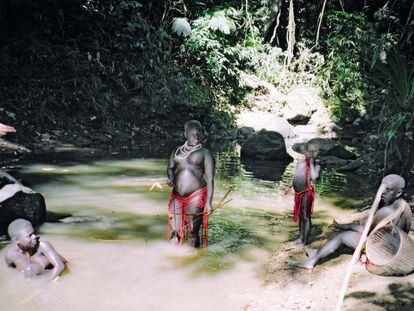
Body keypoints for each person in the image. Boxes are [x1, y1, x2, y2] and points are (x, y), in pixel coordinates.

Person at [297, 174, 411, 270]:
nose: (382, 193)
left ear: (398, 193)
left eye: (389, 190)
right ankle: (319, 252)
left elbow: (366, 232)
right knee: (347, 231)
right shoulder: (405, 206)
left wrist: (346, 226)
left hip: (382, 252)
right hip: (394, 246)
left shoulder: (386, 211)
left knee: (342, 236)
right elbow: (405, 231)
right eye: (382, 188)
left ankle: (311, 262)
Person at [167, 120, 215, 248]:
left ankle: (194, 259)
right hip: (177, 195)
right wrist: (170, 177)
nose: (196, 137)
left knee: (192, 232)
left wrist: (209, 203)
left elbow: (210, 179)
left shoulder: (205, 153)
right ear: (185, 134)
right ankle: (172, 262)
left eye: (199, 134)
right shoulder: (176, 151)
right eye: (193, 134)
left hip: (196, 196)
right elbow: (170, 168)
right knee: (175, 231)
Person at [285, 142, 320, 247]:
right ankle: (300, 238)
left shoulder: (317, 165)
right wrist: (289, 186)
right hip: (298, 193)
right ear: (305, 152)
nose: (312, 154)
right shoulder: (301, 162)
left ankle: (305, 241)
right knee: (301, 216)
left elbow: (314, 177)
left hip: (306, 192)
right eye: (310, 152)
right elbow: (295, 175)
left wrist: (312, 163)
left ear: (318, 153)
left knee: (305, 216)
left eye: (314, 152)